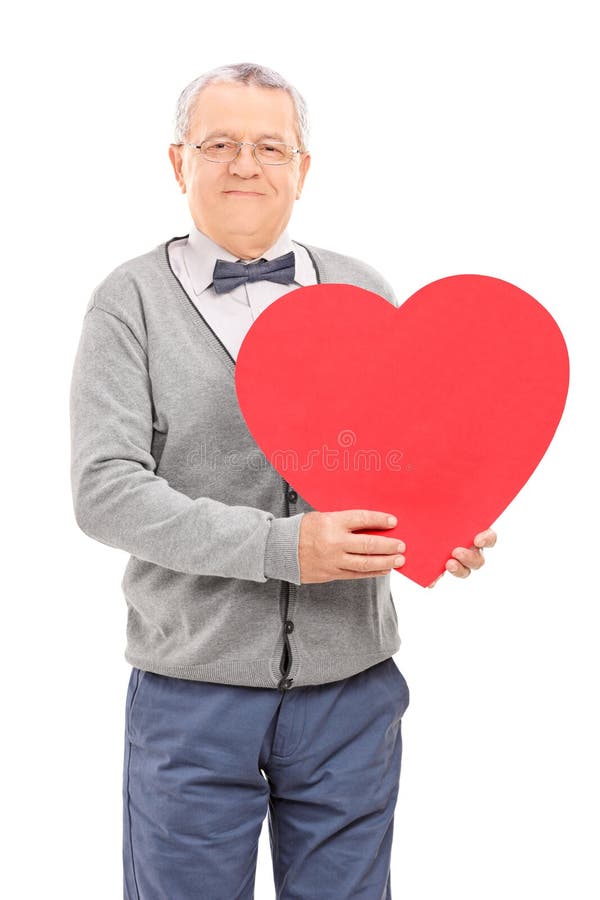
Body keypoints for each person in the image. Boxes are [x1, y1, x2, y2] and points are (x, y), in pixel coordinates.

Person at [69, 61, 497, 900]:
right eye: (218, 143)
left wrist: (446, 522)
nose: (244, 165)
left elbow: (401, 461)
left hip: (354, 689)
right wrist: (282, 546)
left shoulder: (363, 289)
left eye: (270, 146)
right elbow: (105, 487)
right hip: (191, 692)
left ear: (302, 169)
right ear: (177, 162)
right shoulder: (131, 303)